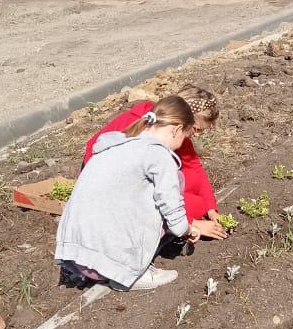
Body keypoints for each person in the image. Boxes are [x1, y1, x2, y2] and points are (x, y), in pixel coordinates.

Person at [57, 96, 207, 292]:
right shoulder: (158, 156)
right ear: (177, 129)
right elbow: (174, 215)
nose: (182, 144)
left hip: (73, 255)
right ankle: (133, 273)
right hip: (106, 265)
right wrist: (189, 229)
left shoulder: (115, 144)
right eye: (184, 136)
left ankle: (104, 266)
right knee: (175, 182)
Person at [83, 85, 225, 236]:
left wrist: (211, 209)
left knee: (197, 201)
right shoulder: (145, 139)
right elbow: (135, 191)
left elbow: (194, 168)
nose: (197, 135)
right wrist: (192, 224)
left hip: (133, 187)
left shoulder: (173, 131)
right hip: (110, 191)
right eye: (196, 129)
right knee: (192, 205)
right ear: (182, 121)